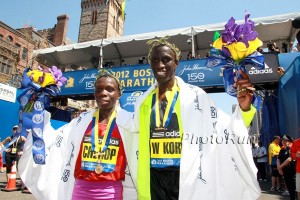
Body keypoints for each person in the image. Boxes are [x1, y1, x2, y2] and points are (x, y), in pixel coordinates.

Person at [117, 37, 260, 200]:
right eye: (155, 60)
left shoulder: (196, 96)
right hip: (152, 180)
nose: (160, 65)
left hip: (186, 179)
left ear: (176, 63)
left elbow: (224, 128)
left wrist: (244, 108)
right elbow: (129, 127)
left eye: (166, 59)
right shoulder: (143, 102)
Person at [18, 71, 137, 200]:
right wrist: (37, 107)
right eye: (99, 89)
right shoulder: (81, 121)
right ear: (95, 93)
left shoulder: (128, 122)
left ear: (119, 94)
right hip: (81, 191)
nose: (103, 93)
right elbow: (55, 141)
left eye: (110, 89)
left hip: (111, 192)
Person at [277, 135, 296, 199]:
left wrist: (280, 167)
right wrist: (279, 168)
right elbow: (278, 159)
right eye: (283, 140)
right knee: (288, 185)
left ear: (289, 142)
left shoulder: (290, 148)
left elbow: (290, 159)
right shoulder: (282, 149)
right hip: (285, 170)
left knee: (293, 186)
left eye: (285, 140)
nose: (284, 142)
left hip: (292, 169)